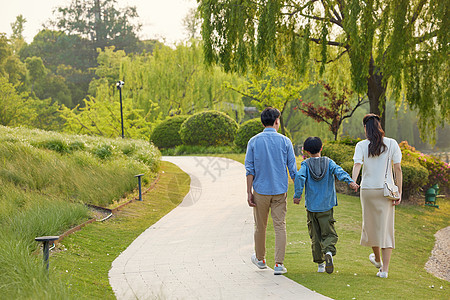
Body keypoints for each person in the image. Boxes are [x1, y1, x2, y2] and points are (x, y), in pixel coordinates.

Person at [293, 137, 359, 274]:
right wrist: (351, 182)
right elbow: (339, 172)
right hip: (327, 205)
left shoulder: (305, 164)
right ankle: (328, 251)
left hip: (312, 207)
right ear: (321, 148)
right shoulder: (329, 162)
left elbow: (299, 177)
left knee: (315, 235)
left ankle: (320, 265)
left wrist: (298, 195)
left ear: (306, 151)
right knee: (328, 232)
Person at [245, 107, 297, 275]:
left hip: (260, 191)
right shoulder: (285, 141)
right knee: (280, 226)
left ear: (262, 122)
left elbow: (249, 169)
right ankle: (279, 264)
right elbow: (293, 170)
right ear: (276, 121)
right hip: (280, 190)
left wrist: (248, 192)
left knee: (260, 226)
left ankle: (260, 260)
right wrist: (299, 190)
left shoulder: (253, 141)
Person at [352, 114, 403, 279]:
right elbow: (398, 169)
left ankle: (378, 260)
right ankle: (385, 270)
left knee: (371, 226)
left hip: (367, 190)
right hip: (385, 191)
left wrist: (353, 182)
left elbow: (357, 164)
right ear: (379, 126)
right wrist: (399, 192)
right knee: (386, 228)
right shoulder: (392, 143)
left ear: (366, 128)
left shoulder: (361, 145)